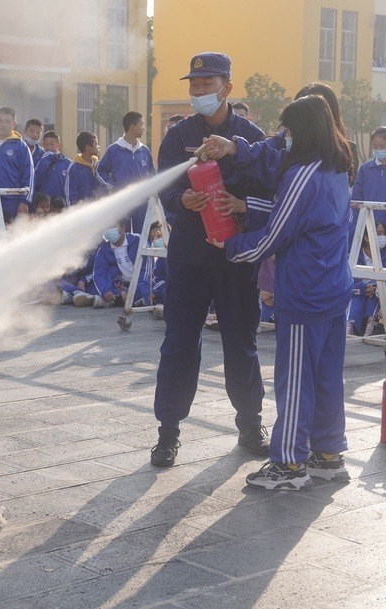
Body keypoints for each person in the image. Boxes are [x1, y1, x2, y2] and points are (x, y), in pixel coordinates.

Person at [214, 93, 354, 490]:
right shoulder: (337, 168)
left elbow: (274, 236)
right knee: (327, 378)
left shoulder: (303, 174)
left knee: (294, 382)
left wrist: (229, 246)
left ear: (303, 131)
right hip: (333, 289)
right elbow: (295, 217)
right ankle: (328, 455)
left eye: (288, 131)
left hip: (305, 293)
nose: (283, 138)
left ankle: (289, 464)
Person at [149, 52, 272, 468]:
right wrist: (180, 198)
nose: (198, 92)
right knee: (179, 343)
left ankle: (250, 424)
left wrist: (240, 205)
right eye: (193, 85)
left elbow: (268, 192)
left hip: (235, 259)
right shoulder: (178, 134)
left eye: (206, 84)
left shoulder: (250, 137)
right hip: (188, 256)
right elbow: (164, 184)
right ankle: (168, 432)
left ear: (227, 88)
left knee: (241, 342)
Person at [97, 111, 156, 232]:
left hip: (142, 201)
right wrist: (113, 186)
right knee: (122, 235)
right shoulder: (114, 150)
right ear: (132, 127)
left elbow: (152, 174)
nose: (144, 128)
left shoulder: (144, 151)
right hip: (122, 200)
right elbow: (99, 171)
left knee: (142, 235)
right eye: (142, 124)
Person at [352, 126, 386, 229]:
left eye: (382, 146)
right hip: (366, 225)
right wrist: (357, 224)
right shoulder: (365, 169)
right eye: (375, 146)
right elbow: (356, 199)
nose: (378, 149)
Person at [89, 223, 150, 309]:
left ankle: (116, 299)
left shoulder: (138, 240)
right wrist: (106, 292)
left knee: (146, 289)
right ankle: (115, 297)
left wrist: (130, 291)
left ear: (123, 228)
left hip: (141, 282)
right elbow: (99, 273)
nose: (109, 231)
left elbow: (147, 271)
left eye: (112, 227)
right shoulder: (104, 249)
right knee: (97, 285)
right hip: (122, 283)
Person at [66, 132, 108, 206]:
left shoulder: (98, 166)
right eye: (96, 144)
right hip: (82, 214)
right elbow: (71, 195)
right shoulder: (74, 169)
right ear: (88, 147)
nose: (98, 147)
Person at [35, 130, 72, 203]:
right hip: (45, 205)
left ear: (59, 144)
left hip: (62, 205)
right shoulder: (40, 160)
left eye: (52, 144)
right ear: (42, 144)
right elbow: (36, 180)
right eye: (46, 144)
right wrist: (45, 160)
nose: (49, 147)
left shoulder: (67, 163)